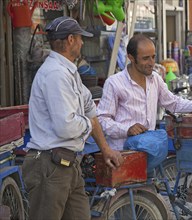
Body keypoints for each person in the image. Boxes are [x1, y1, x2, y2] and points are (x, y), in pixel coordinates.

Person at [22, 16, 124, 220]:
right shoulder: (55, 74)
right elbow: (67, 127)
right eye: (79, 38)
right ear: (70, 40)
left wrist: (105, 150)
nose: (82, 42)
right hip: (50, 167)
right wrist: (86, 123)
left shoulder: (69, 72)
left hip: (69, 165)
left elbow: (90, 110)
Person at [97, 34, 192, 177]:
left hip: (147, 153)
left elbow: (173, 103)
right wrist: (127, 129)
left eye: (153, 57)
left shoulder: (155, 78)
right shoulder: (114, 83)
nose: (151, 62)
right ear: (131, 58)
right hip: (122, 155)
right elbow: (102, 120)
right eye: (145, 58)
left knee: (147, 195)